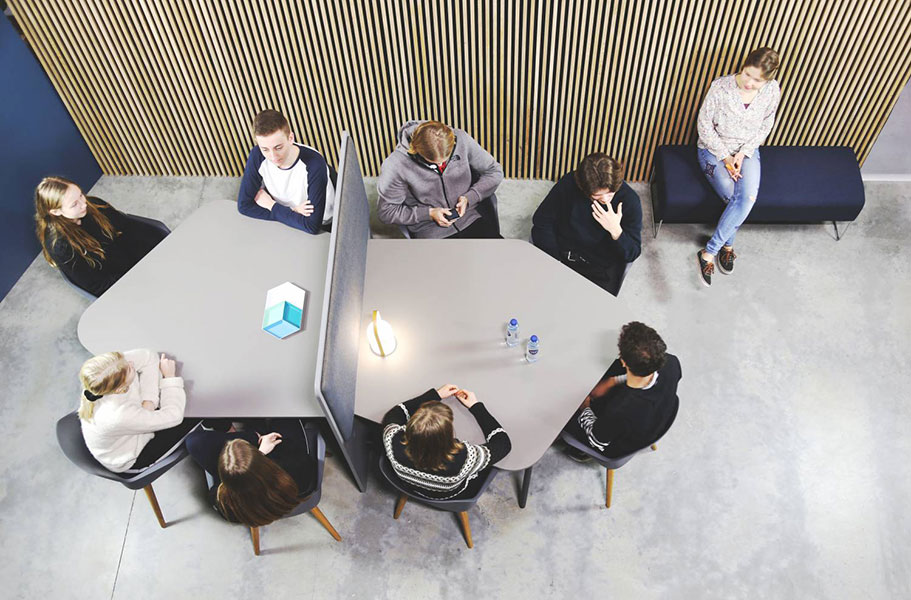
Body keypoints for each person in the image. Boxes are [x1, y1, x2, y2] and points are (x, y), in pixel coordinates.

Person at [695, 47, 781, 286]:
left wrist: (743, 153)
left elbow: (767, 124)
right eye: (747, 75)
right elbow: (703, 125)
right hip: (713, 150)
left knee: (748, 197)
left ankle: (709, 252)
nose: (750, 83)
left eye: (758, 80)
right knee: (733, 196)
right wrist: (725, 157)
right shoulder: (720, 86)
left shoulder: (772, 90)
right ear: (743, 67)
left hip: (747, 151)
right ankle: (728, 245)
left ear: (769, 79)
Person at [565, 322, 681, 461]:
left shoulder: (619, 410)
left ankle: (581, 452)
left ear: (624, 361)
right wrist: (613, 381)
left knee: (563, 415)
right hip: (658, 417)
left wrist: (585, 407)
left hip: (613, 444)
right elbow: (644, 376)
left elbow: (597, 440)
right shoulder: (672, 363)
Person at [35, 176, 167, 296]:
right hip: (118, 280)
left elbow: (127, 226)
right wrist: (140, 282)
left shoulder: (94, 204)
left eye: (81, 195)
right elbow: (96, 285)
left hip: (131, 258)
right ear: (56, 212)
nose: (84, 203)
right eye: (74, 204)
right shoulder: (60, 246)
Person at [531, 152, 642, 296]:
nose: (605, 200)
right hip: (561, 255)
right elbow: (542, 221)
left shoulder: (629, 200)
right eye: (597, 196)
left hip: (601, 269)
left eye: (610, 194)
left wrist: (616, 231)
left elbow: (632, 252)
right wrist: (554, 259)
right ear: (584, 189)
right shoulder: (569, 184)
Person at [377, 120, 504, 239]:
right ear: (415, 150)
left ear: (453, 141)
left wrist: (469, 198)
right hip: (429, 231)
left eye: (445, 161)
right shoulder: (395, 165)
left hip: (471, 218)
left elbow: (494, 171)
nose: (440, 167)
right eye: (432, 164)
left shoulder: (461, 139)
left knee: (505, 258)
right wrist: (429, 213)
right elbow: (387, 212)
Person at [382, 385, 511, 499]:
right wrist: (476, 406)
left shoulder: (392, 439)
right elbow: (503, 443)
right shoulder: (464, 459)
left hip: (409, 487)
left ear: (410, 426)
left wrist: (435, 395)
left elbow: (396, 412)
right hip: (446, 495)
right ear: (448, 434)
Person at [78, 350, 198, 473]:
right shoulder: (118, 415)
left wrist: (149, 401)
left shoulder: (110, 369)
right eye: (130, 369)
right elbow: (174, 415)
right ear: (120, 389)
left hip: (131, 424)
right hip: (133, 456)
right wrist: (169, 377)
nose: (131, 363)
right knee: (196, 410)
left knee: (184, 401)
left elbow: (148, 356)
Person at [185, 419, 318, 526]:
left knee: (197, 441)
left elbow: (223, 485)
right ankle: (256, 433)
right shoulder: (294, 470)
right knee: (285, 418)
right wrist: (259, 452)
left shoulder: (224, 502)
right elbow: (304, 469)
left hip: (251, 507)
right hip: (290, 482)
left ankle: (255, 433)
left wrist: (258, 449)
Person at [237, 109, 335, 234]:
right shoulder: (257, 155)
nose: (273, 156)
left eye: (278, 147)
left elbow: (312, 226)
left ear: (290, 138)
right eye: (265, 149)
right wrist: (291, 211)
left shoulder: (314, 164)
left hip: (323, 224)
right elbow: (244, 206)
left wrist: (272, 206)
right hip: (290, 216)